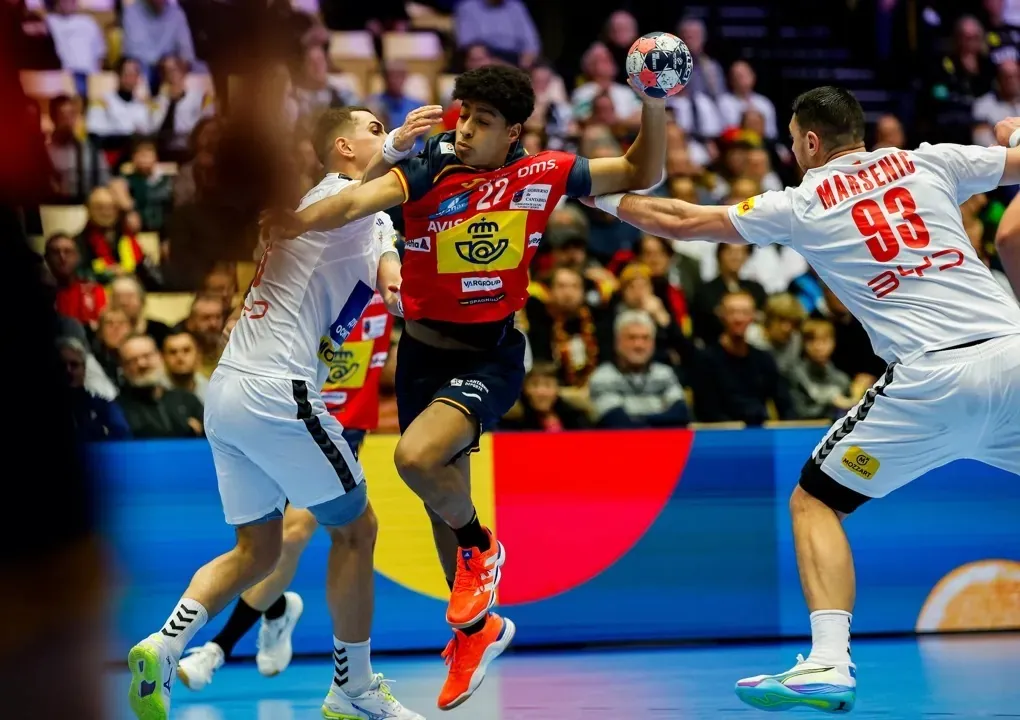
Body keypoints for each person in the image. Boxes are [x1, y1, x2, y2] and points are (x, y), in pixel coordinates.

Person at [582, 87, 1020, 714]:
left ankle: (829, 662)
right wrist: (1014, 134)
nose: (791, 152)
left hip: (932, 378)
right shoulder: (930, 160)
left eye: (791, 142)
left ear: (811, 142)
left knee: (815, 501)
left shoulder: (802, 202)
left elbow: (680, 220)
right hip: (1012, 354)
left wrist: (590, 190)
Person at [263, 62, 667, 709]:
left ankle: (483, 547)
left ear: (514, 132)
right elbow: (354, 202)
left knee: (415, 459)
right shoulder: (428, 167)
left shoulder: (547, 172)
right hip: (422, 355)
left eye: (483, 121)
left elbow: (639, 170)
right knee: (437, 505)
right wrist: (296, 219)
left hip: (490, 356)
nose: (467, 129)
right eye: (464, 116)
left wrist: (652, 102)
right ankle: (477, 634)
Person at [126, 103, 443, 720]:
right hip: (277, 389)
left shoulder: (367, 216)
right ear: (344, 149)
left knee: (258, 550)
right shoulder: (329, 198)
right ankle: (352, 689)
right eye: (374, 128)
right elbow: (360, 196)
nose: (385, 134)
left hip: (229, 394)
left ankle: (164, 645)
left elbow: (386, 266)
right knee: (357, 529)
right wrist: (401, 145)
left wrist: (402, 287)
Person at [177, 297, 396, 689]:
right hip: (277, 412)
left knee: (294, 533)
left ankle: (218, 649)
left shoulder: (380, 279)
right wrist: (237, 325)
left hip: (338, 427)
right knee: (259, 547)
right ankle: (276, 609)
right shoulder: (303, 281)